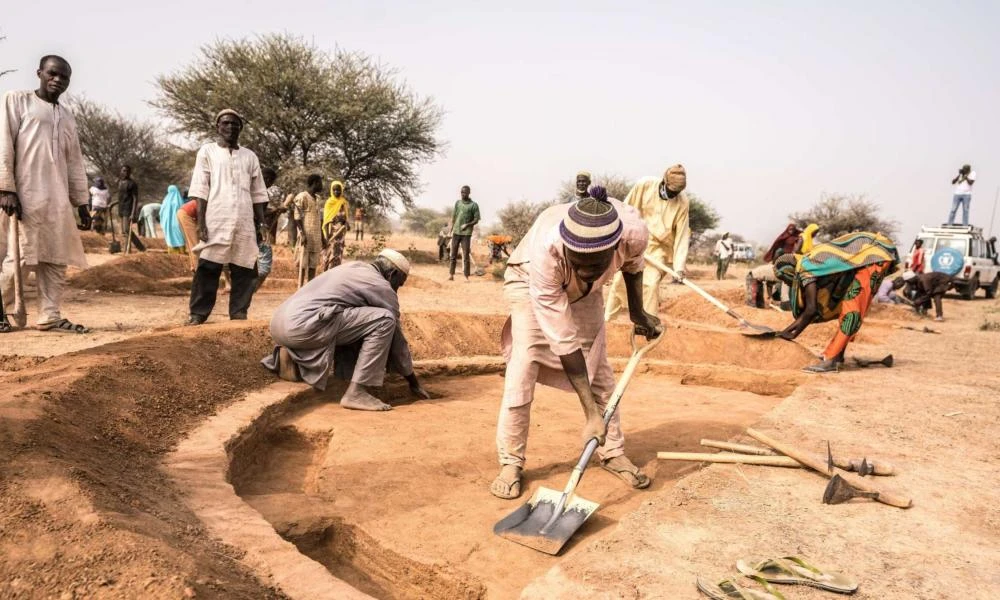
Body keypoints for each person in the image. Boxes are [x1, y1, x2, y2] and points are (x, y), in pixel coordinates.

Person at [491, 187, 663, 500]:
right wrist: (590, 414)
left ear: (613, 250)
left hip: (587, 292)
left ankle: (612, 452)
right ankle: (511, 462)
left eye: (594, 266)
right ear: (567, 248)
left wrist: (638, 313)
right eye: (579, 263)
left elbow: (634, 267)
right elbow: (563, 339)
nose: (585, 271)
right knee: (524, 363)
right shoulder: (548, 252)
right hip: (529, 279)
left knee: (601, 371)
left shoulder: (634, 233)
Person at [261, 248, 431, 410]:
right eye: (399, 284)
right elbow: (397, 338)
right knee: (385, 320)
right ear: (392, 274)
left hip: (280, 324)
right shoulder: (381, 285)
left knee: (354, 316)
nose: (396, 289)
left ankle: (295, 358)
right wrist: (412, 381)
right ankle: (356, 393)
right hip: (304, 326)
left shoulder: (353, 267)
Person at [0, 55, 92, 334]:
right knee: (20, 258)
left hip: (58, 199)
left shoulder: (67, 116)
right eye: (52, 74)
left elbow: (75, 161)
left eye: (64, 77)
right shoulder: (17, 100)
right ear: (39, 73)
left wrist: (82, 202)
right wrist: (6, 187)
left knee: (55, 258)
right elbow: (3, 141)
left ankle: (50, 316)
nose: (58, 80)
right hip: (25, 195)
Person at [185, 108, 268, 325]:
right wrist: (202, 223)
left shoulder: (250, 156)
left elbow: (258, 193)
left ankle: (239, 312)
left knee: (245, 267)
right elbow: (200, 190)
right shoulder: (207, 152)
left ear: (241, 128)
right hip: (217, 217)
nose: (230, 127)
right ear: (218, 127)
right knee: (208, 266)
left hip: (244, 219)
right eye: (226, 123)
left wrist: (261, 223)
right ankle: (198, 313)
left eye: (235, 124)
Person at [775, 232, 900, 373]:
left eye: (785, 279)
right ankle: (837, 355)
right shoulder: (810, 262)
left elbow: (811, 310)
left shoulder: (805, 268)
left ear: (789, 272)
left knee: (852, 310)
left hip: (873, 256)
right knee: (847, 306)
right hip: (873, 254)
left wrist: (788, 333)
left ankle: (832, 360)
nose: (787, 283)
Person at [605, 164, 690, 321]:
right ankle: (608, 321)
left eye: (677, 193)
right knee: (619, 281)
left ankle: (647, 324)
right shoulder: (645, 184)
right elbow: (626, 209)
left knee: (651, 283)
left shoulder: (683, 202)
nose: (673, 195)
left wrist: (679, 267)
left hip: (659, 248)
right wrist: (618, 235)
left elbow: (682, 235)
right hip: (636, 240)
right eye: (672, 191)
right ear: (664, 182)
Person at [292, 174, 325, 284]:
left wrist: (323, 238)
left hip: (316, 238)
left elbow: (319, 220)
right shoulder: (303, 196)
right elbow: (297, 216)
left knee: (313, 265)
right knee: (302, 264)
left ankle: (310, 289)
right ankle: (300, 288)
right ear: (315, 183)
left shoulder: (318, 199)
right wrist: (302, 233)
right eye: (320, 183)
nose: (322, 186)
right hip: (305, 236)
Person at [449, 185, 480, 281]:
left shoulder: (474, 205)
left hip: (466, 234)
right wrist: (451, 229)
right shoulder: (458, 203)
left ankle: (466, 276)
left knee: (466, 255)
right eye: (462, 192)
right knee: (453, 254)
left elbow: (476, 219)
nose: (463, 194)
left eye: (465, 192)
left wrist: (467, 225)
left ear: (469, 193)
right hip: (456, 232)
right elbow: (454, 216)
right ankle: (451, 275)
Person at [322, 180, 350, 271]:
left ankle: (334, 276)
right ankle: (327, 276)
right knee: (329, 256)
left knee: (337, 256)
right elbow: (326, 221)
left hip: (340, 235)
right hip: (332, 234)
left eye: (338, 190)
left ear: (341, 190)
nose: (336, 192)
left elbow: (345, 217)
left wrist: (346, 223)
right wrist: (326, 236)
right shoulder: (329, 203)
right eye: (334, 190)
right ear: (331, 190)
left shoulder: (343, 202)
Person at [159, 185, 186, 253]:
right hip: (177, 222)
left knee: (170, 236)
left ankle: (172, 253)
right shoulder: (179, 200)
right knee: (179, 235)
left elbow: (161, 212)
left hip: (167, 223)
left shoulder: (165, 201)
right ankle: (182, 252)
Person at [117, 165, 139, 235]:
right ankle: (126, 245)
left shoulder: (132, 184)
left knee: (126, 229)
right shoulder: (120, 182)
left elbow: (135, 199)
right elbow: (121, 196)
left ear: (130, 172)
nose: (125, 172)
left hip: (128, 208)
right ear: (121, 171)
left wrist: (133, 213)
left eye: (127, 171)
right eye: (123, 170)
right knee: (123, 231)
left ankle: (137, 245)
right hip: (121, 208)